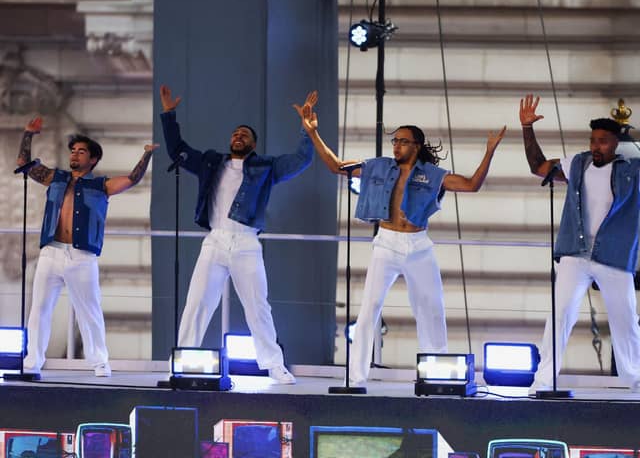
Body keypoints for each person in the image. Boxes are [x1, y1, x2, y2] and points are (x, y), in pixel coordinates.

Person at [294, 91, 506, 386]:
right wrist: (313, 133)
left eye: (403, 141)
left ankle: (437, 377)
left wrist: (489, 152)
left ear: (416, 146)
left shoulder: (432, 174)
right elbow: (335, 166)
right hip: (386, 243)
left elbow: (471, 185)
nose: (396, 145)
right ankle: (355, 379)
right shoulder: (377, 165)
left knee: (431, 308)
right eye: (394, 141)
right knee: (368, 309)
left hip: (418, 246)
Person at [159, 85, 314, 384]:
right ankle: (179, 362)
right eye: (235, 133)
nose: (238, 136)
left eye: (245, 134)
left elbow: (300, 160)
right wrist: (169, 115)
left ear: (254, 144)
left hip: (246, 242)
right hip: (215, 241)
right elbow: (177, 150)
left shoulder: (266, 167)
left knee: (258, 306)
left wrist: (306, 130)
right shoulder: (211, 161)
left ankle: (273, 365)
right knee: (197, 303)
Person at [17, 116, 159, 377]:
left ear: (92, 159)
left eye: (81, 151)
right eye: (73, 150)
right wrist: (28, 134)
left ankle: (99, 361)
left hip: (82, 256)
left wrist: (146, 155)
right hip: (51, 251)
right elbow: (24, 165)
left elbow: (132, 179)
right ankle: (32, 360)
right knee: (39, 308)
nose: (75, 154)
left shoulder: (100, 185)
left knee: (89, 311)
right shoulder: (56, 178)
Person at [520, 94, 640, 390]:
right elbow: (538, 166)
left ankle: (635, 382)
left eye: (602, 141)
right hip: (576, 253)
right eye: (593, 140)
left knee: (625, 321)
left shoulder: (632, 169)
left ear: (615, 143)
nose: (595, 146)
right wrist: (527, 129)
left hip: (613, 255)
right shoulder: (578, 163)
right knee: (560, 315)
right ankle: (544, 380)